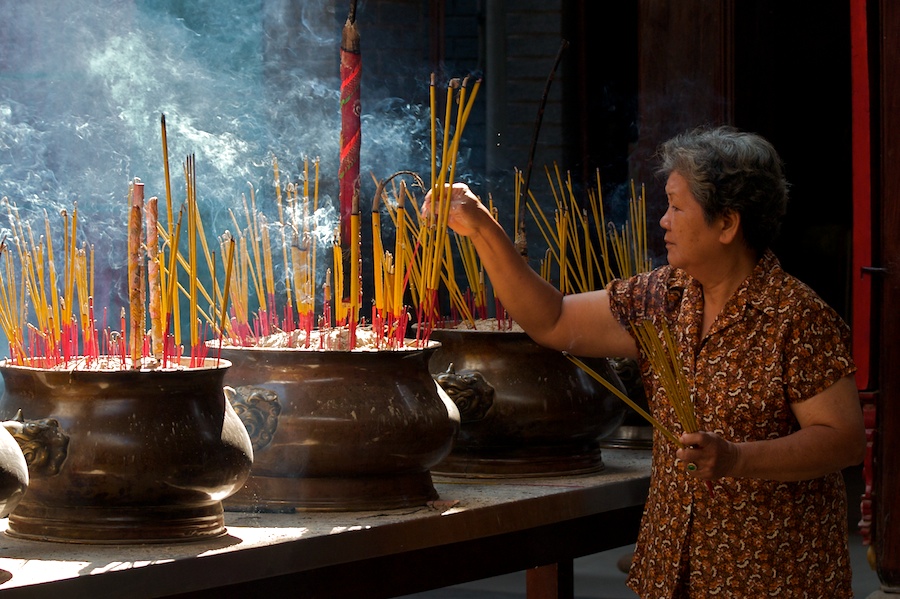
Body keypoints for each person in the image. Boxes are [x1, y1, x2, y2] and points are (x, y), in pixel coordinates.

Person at [425, 125, 867, 598]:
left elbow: (842, 440)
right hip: (673, 566)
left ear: (727, 224)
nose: (663, 221)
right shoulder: (663, 296)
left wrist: (737, 458)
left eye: (677, 207)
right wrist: (481, 229)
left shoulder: (795, 315)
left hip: (772, 573)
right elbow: (551, 320)